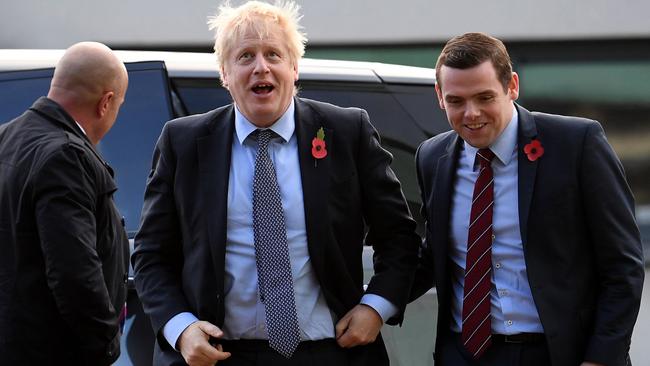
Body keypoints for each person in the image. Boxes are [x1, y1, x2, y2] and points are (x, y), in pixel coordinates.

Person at [131, 1, 420, 366]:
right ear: (224, 72)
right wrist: (180, 328)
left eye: (273, 54)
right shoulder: (183, 142)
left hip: (330, 352)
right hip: (220, 355)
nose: (261, 67)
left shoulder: (346, 132)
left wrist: (375, 307)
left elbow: (399, 237)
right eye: (245, 56)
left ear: (294, 67)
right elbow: (151, 255)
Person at [411, 32, 644, 366]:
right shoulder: (432, 157)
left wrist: (601, 358)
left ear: (512, 86)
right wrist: (367, 302)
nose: (471, 114)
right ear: (439, 96)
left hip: (557, 353)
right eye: (457, 101)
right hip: (464, 354)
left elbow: (623, 265)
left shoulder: (576, 145)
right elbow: (432, 257)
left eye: (484, 97)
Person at [0, 42, 130, 365]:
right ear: (106, 103)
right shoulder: (66, 157)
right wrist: (107, 343)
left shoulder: (6, 138)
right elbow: (74, 273)